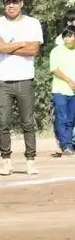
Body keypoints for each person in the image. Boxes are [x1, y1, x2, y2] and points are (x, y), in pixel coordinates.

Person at [0, 0, 44, 175]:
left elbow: (34, 50)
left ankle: (30, 161)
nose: (11, 6)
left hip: (25, 79)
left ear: (21, 3)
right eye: (8, 3)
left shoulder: (33, 23)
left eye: (14, 2)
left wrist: (8, 46)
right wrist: (22, 43)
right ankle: (6, 162)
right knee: (3, 122)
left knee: (27, 122)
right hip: (3, 81)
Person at [50, 27, 75, 156]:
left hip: (73, 92)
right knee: (62, 118)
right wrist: (69, 81)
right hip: (60, 90)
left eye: (71, 36)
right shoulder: (56, 51)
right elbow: (55, 69)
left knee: (71, 119)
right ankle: (66, 146)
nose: (68, 39)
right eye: (66, 36)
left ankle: (69, 145)